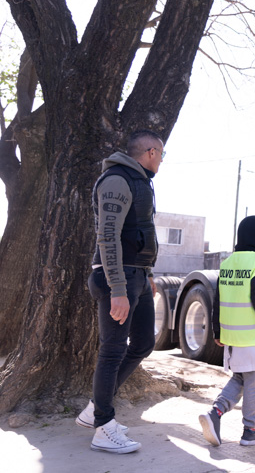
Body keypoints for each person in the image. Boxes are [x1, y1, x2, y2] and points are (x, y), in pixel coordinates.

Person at [75, 130, 164, 454]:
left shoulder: (139, 181)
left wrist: (147, 274)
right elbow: (108, 236)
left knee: (142, 344)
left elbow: (138, 232)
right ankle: (103, 427)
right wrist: (118, 289)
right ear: (151, 152)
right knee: (112, 351)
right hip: (117, 278)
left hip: (136, 275)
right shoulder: (116, 179)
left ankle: (95, 409)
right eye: (161, 155)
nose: (162, 161)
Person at [199, 216, 255, 447]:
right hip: (253, 337)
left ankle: (215, 413)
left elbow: (218, 301)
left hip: (233, 338)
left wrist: (217, 332)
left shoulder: (228, 263)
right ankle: (251, 430)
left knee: (240, 379)